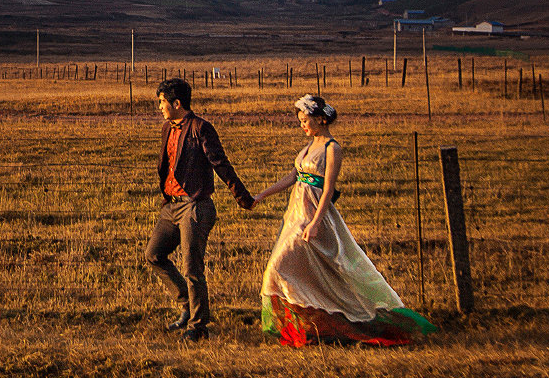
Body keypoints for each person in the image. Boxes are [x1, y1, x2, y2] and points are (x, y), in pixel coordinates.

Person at [252, 94, 434, 346]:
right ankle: (309, 328)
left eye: (305, 120)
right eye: (300, 121)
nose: (302, 125)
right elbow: (293, 177)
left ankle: (351, 321)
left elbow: (327, 189)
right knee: (295, 271)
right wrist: (262, 194)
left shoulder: (332, 148)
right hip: (296, 214)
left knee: (284, 266)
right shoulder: (308, 146)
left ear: (320, 119)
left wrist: (315, 223)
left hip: (315, 217)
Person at [144, 77, 256, 341]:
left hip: (195, 206)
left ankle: (198, 326)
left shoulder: (201, 128)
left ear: (177, 103)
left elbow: (221, 164)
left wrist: (243, 197)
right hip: (171, 205)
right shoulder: (167, 128)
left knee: (192, 268)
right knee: (153, 254)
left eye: (162, 102)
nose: (160, 107)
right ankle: (187, 306)